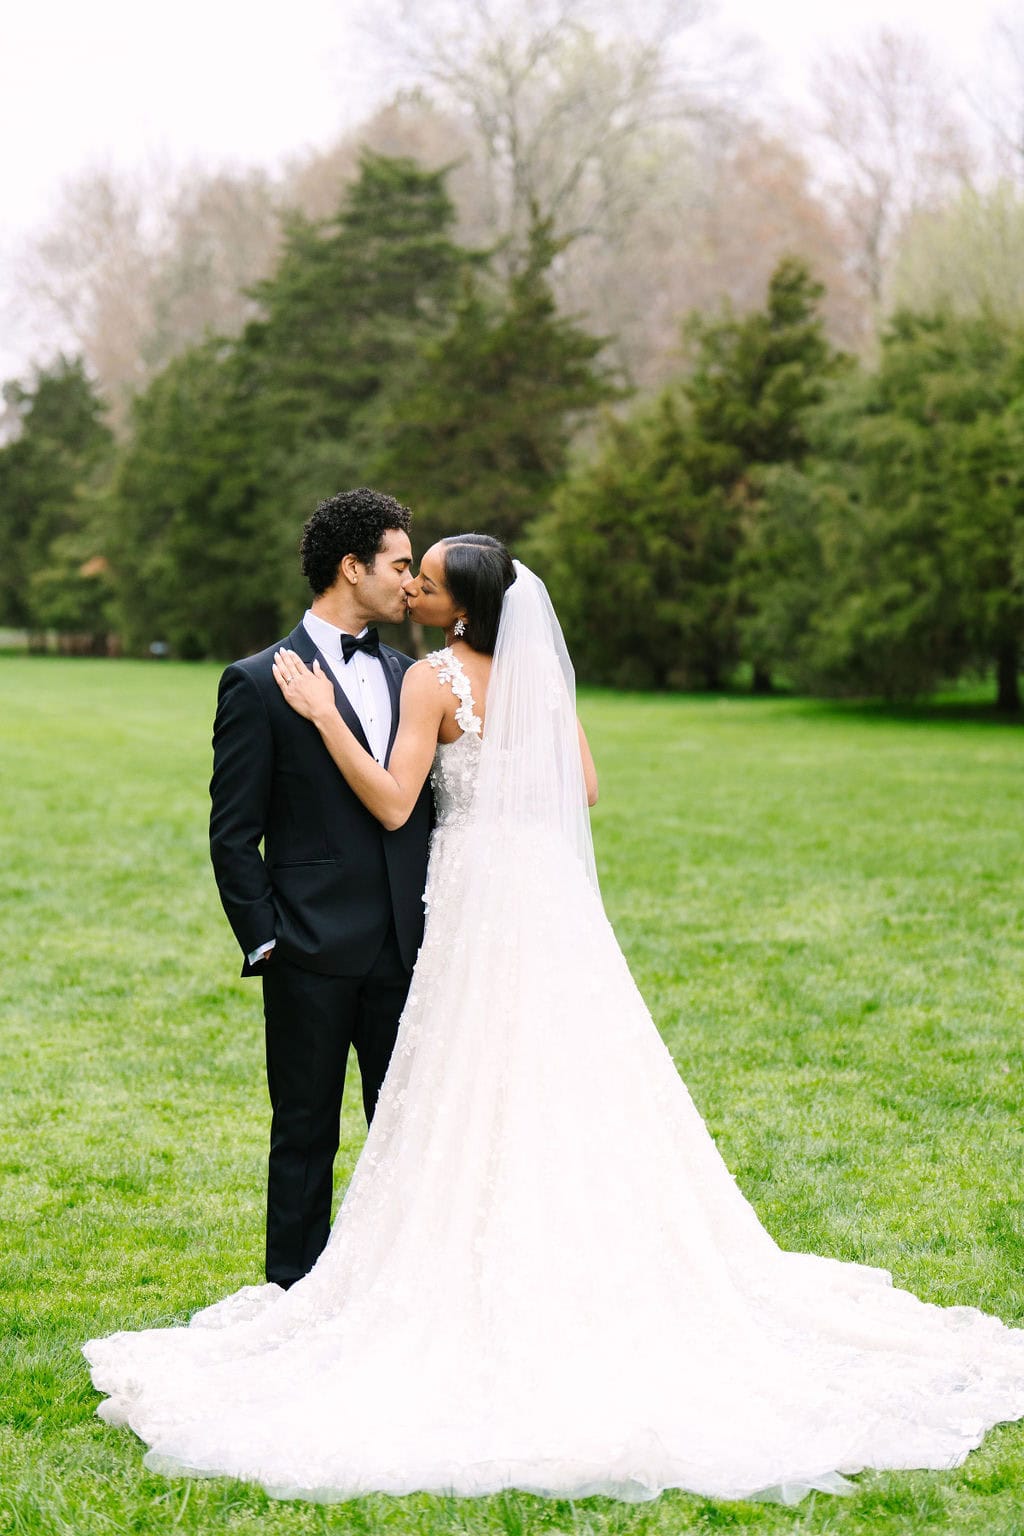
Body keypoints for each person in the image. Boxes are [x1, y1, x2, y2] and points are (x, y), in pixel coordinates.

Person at [85, 537, 1024, 1505]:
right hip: (547, 905)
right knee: (563, 1080)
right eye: (407, 567)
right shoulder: (535, 677)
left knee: (464, 1088)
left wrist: (327, 719)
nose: (413, 583)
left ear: (458, 610)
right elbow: (582, 789)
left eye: (429, 577)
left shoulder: (430, 682)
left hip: (471, 906)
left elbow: (396, 801)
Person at [208, 488, 432, 1289]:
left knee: (404, 1133)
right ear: (351, 566)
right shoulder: (258, 683)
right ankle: (290, 1296)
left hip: (407, 951)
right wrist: (269, 939)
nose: (411, 583)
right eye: (400, 565)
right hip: (307, 949)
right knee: (303, 1132)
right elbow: (234, 834)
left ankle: (396, 1296)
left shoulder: (412, 678)